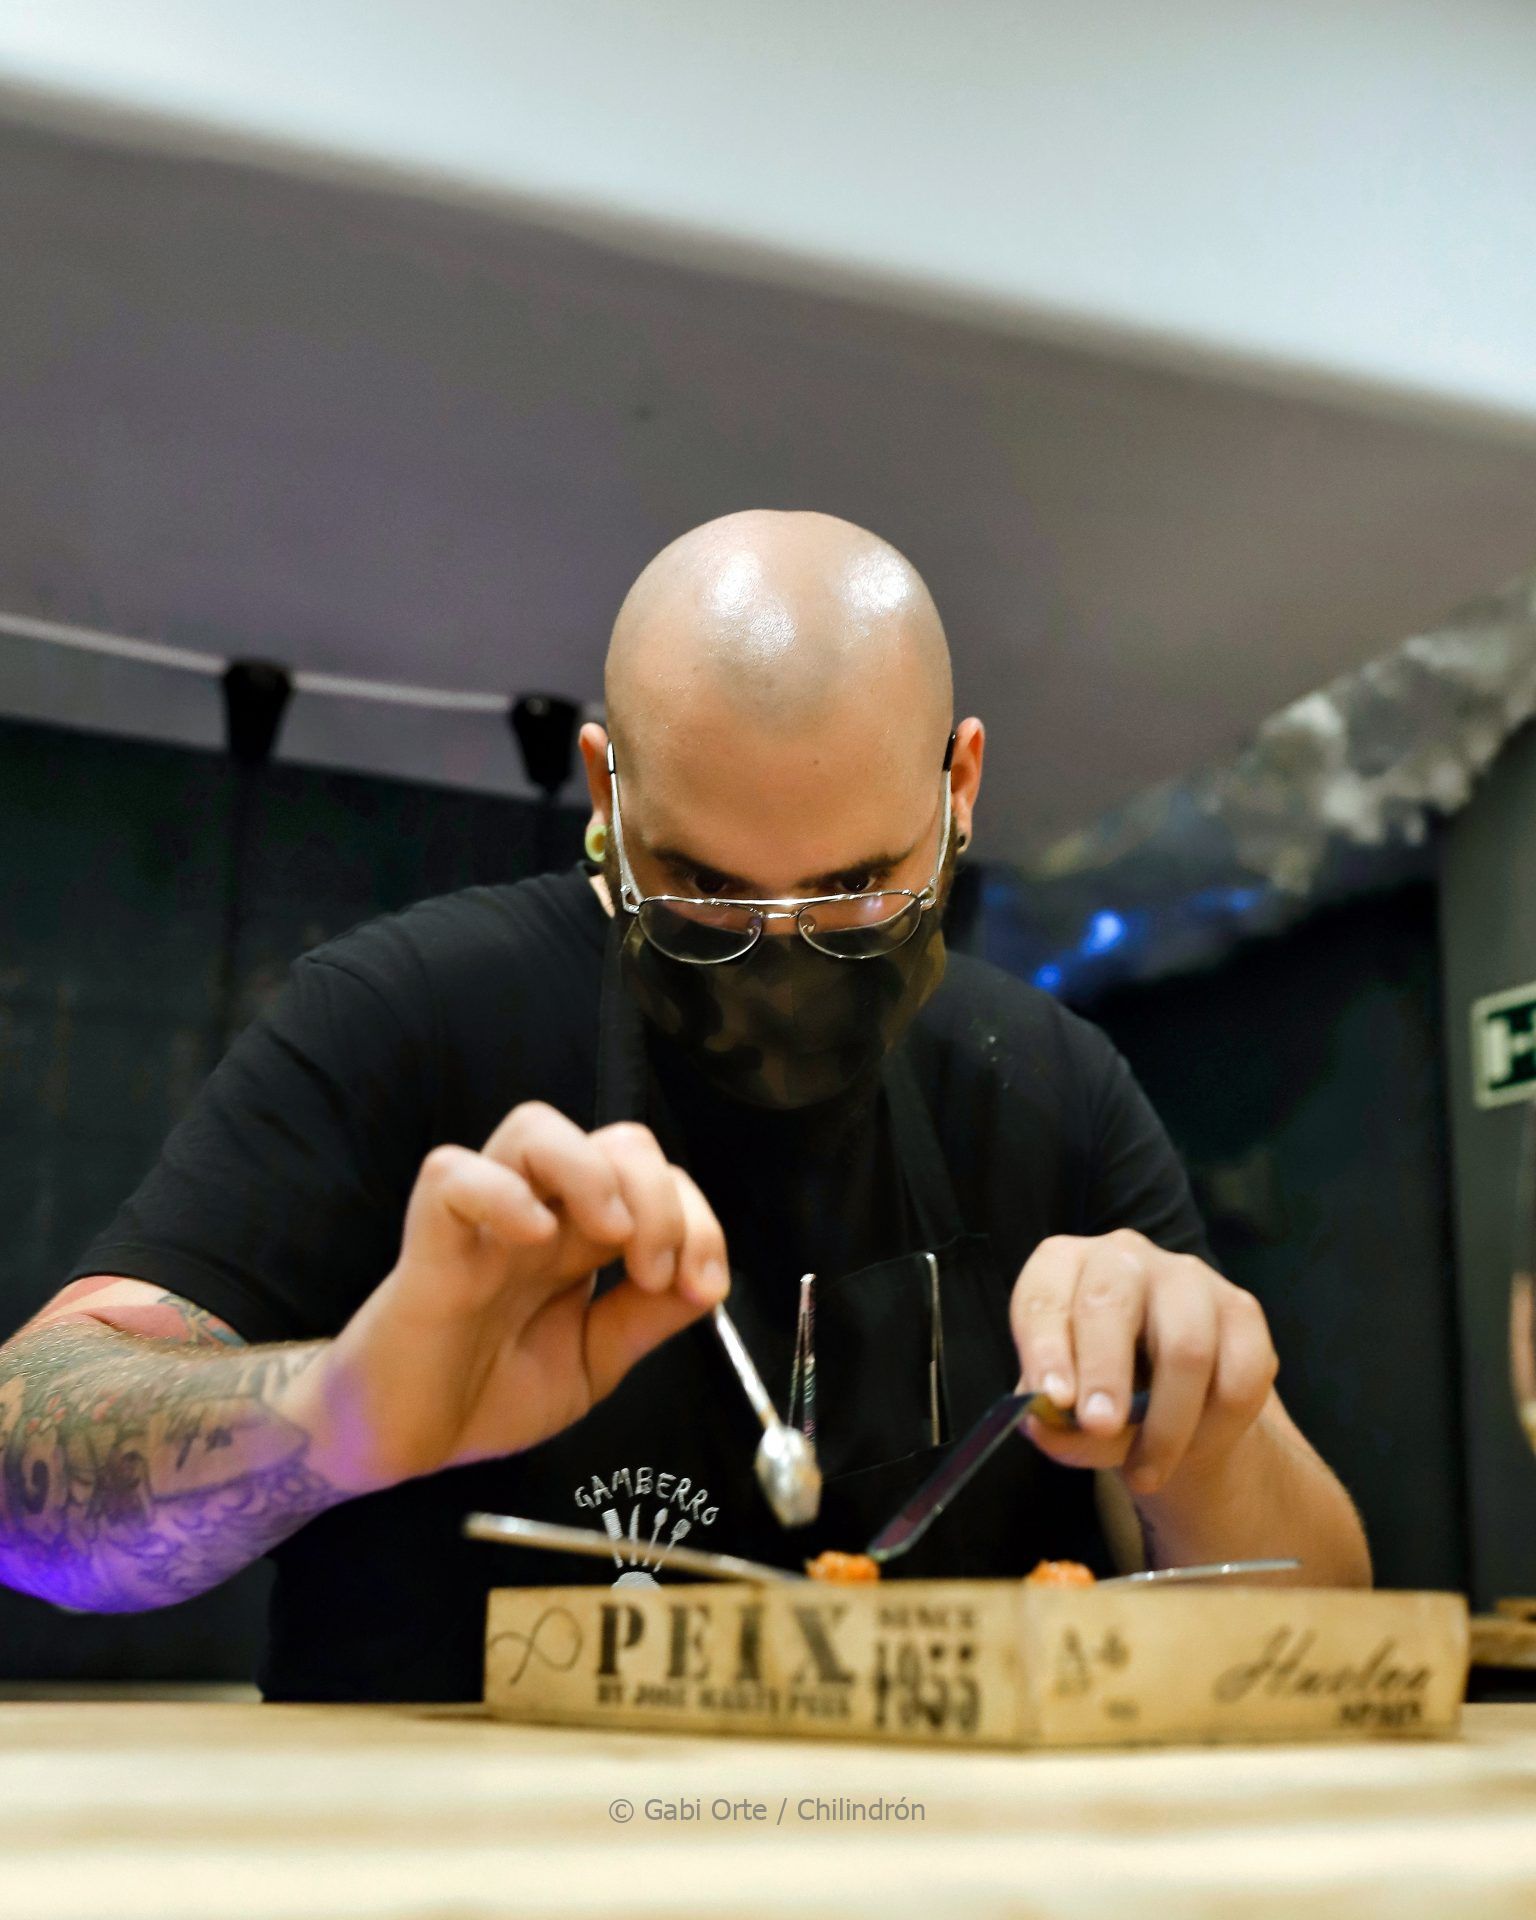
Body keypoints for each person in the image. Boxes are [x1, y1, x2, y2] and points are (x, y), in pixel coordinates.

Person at [0, 510, 1370, 1701]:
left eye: (855, 892)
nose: (784, 979)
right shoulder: (405, 1018)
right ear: (605, 788)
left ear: (958, 787)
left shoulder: (1053, 1085)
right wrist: (338, 1414)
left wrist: (1207, 1430)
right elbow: (21, 1485)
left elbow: (1323, 1633)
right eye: (706, 891)